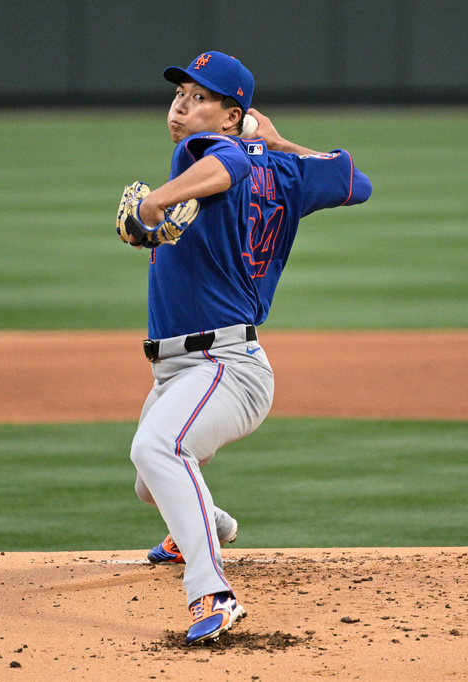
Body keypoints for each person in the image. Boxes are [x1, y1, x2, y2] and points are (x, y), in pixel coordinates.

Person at [120, 51, 372, 645]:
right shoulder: (286, 172)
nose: (183, 103)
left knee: (158, 448)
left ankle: (212, 591)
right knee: (149, 478)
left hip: (224, 364)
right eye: (180, 92)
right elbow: (354, 181)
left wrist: (157, 200)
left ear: (233, 115)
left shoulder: (205, 152)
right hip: (193, 368)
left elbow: (226, 168)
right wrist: (280, 145)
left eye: (200, 96)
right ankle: (204, 527)